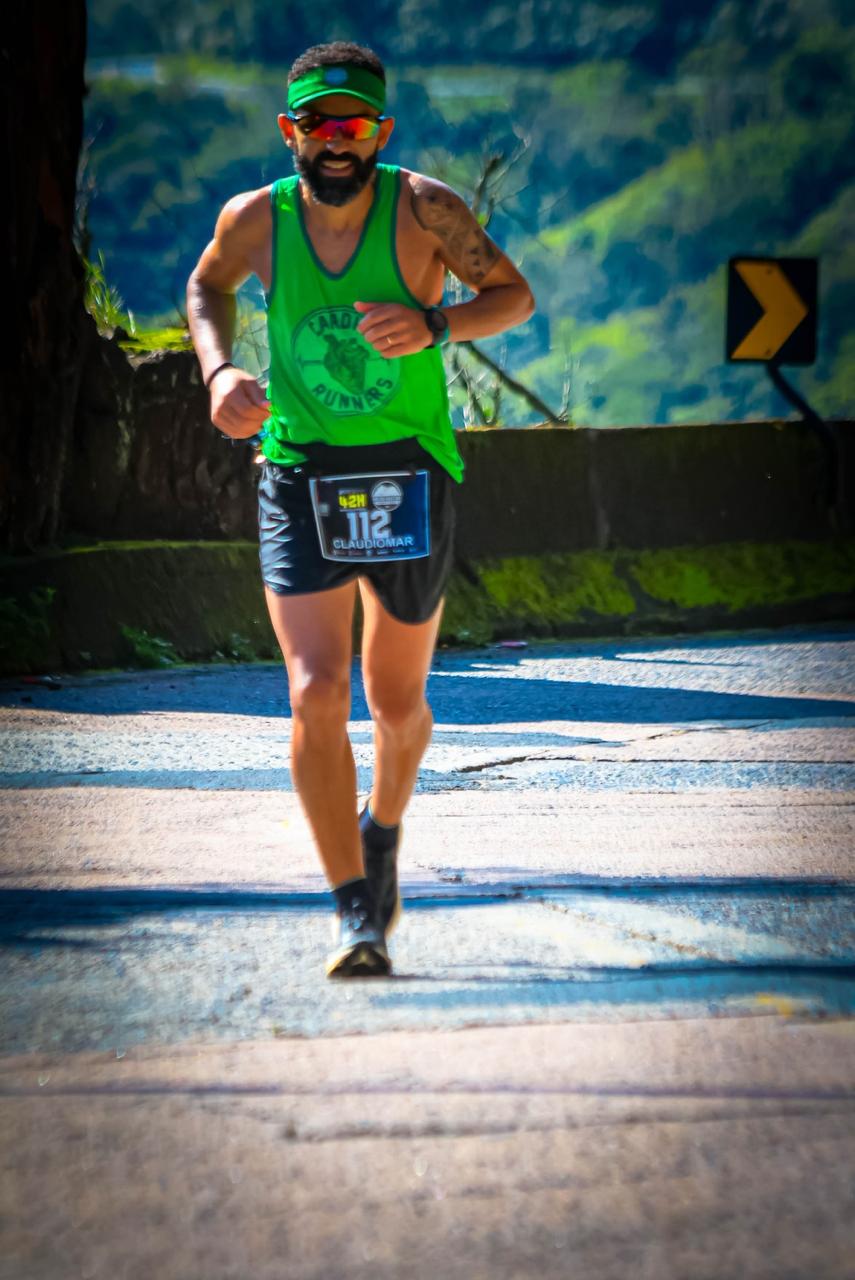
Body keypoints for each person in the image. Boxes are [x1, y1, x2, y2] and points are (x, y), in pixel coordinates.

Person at [186, 41, 534, 978]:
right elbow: (207, 286)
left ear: (380, 131)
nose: (337, 144)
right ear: (287, 129)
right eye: (318, 125)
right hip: (298, 468)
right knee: (314, 690)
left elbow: (512, 295)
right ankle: (354, 913)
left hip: (408, 469)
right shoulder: (255, 219)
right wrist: (218, 370)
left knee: (396, 701)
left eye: (355, 127)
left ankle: (381, 826)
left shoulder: (426, 210)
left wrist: (435, 324)